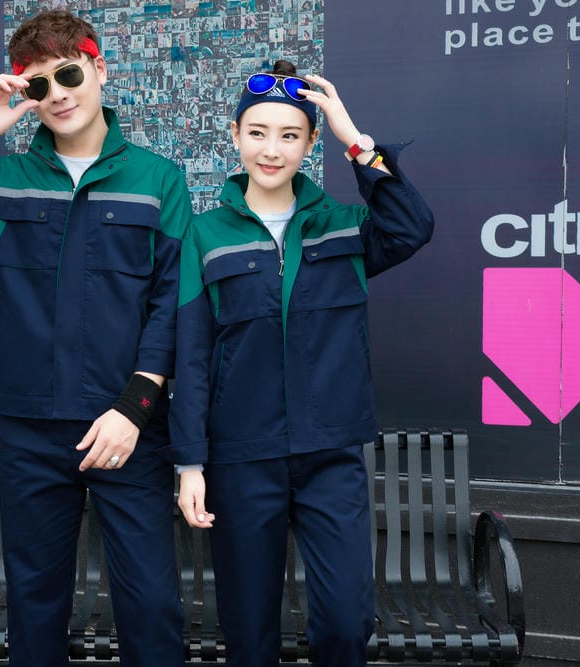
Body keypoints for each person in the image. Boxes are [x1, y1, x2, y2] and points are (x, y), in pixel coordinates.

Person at [0, 10, 193, 666]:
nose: (58, 95)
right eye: (38, 86)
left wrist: (133, 410)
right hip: (32, 430)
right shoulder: (6, 177)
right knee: (35, 606)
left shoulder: (158, 180)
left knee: (151, 606)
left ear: (99, 70)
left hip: (127, 428)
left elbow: (172, 306)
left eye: (68, 75)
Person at [170, 59, 434, 666]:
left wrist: (355, 140)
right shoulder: (203, 236)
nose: (272, 149)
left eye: (290, 135)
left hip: (331, 456)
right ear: (235, 136)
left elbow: (413, 226)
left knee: (345, 623)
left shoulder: (345, 227)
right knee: (249, 632)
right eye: (257, 132)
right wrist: (190, 463)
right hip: (241, 458)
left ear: (311, 143)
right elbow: (192, 355)